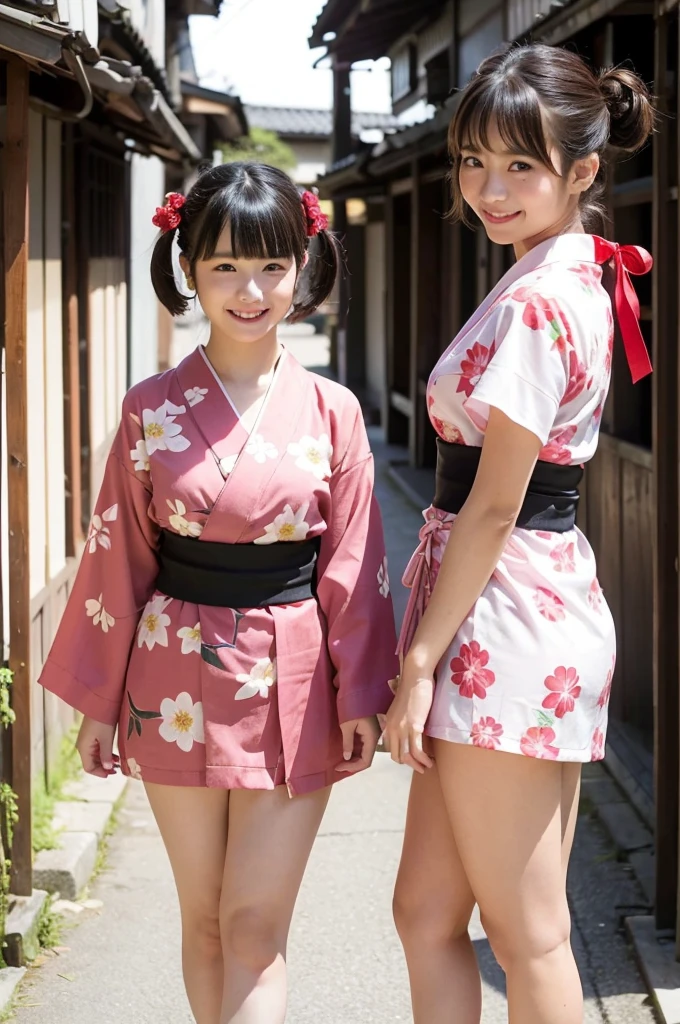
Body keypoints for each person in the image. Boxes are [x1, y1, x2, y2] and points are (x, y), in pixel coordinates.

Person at [39, 162, 398, 1024]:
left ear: (304, 268)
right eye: (227, 265)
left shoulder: (333, 411)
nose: (251, 288)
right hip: (171, 679)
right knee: (202, 923)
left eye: (273, 264)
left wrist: (364, 692)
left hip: (295, 676)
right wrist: (98, 701)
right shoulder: (149, 408)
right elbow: (117, 555)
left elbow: (354, 559)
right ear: (189, 266)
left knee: (252, 928)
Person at [384, 43, 654, 1024]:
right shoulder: (550, 273)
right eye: (471, 162)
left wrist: (414, 662)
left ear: (581, 172)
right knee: (422, 909)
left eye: (518, 167)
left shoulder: (540, 297)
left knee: (527, 930)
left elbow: (494, 502)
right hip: (506, 602)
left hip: (503, 613)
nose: (486, 189)